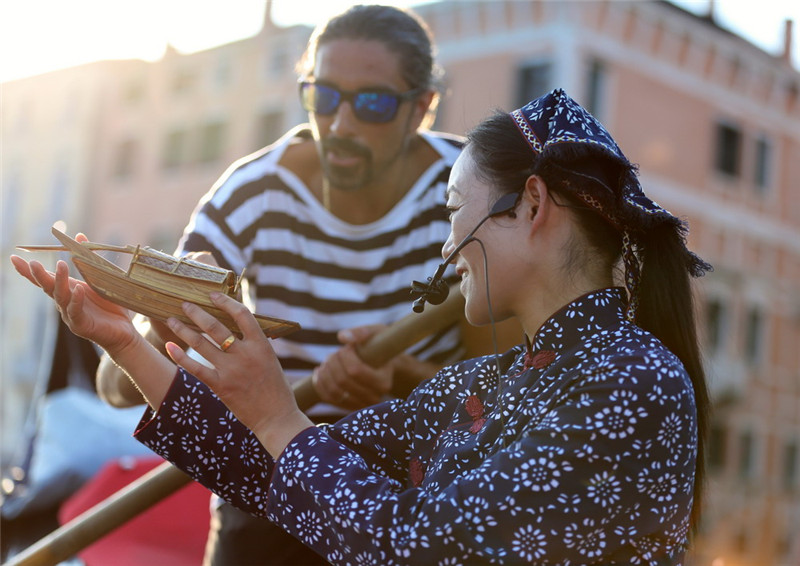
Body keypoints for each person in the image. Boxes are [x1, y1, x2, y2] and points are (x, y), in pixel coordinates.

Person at [13, 88, 712, 564]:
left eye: (452, 210)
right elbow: (269, 468)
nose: (446, 246)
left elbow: (424, 548)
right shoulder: (481, 384)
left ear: (529, 205)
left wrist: (278, 414)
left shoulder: (633, 381)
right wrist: (125, 341)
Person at [93, 5, 524, 565]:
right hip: (265, 474)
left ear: (422, 106)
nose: (341, 127)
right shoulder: (248, 196)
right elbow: (117, 388)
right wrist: (166, 318)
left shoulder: (469, 195)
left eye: (371, 103)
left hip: (414, 482)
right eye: (324, 97)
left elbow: (511, 387)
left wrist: (402, 383)